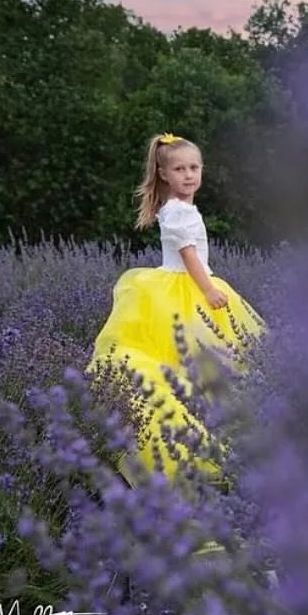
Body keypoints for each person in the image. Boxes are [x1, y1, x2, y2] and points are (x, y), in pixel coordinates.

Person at [89, 132, 266, 489]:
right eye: (180, 169)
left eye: (194, 168)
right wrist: (209, 289)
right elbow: (188, 256)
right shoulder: (175, 211)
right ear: (164, 174)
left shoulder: (183, 208)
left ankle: (224, 444)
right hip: (185, 292)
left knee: (211, 364)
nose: (188, 175)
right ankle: (199, 448)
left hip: (188, 289)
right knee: (193, 363)